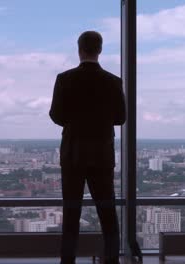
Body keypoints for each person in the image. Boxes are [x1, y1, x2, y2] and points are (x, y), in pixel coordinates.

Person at [49, 31, 131, 264]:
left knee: (71, 214)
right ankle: (112, 259)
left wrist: (75, 121)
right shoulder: (113, 81)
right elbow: (121, 118)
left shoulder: (65, 79)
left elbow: (56, 115)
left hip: (73, 154)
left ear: (79, 49)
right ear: (100, 49)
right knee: (107, 213)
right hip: (102, 155)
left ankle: (68, 261)